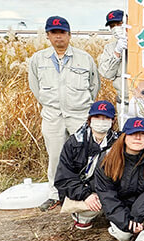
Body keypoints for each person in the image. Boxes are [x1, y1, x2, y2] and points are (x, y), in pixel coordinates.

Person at [28, 16, 99, 211]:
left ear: (69, 34)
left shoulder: (84, 58)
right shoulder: (38, 59)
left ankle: (85, 192)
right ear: (48, 36)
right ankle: (55, 194)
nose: (58, 36)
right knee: (56, 156)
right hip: (52, 116)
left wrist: (80, 106)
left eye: (62, 32)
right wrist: (50, 104)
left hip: (78, 115)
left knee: (84, 155)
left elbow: (94, 86)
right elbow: (35, 87)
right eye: (54, 33)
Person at [93, 117, 144, 241]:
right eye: (133, 134)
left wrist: (137, 216)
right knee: (124, 236)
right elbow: (107, 194)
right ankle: (116, 227)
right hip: (120, 203)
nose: (138, 138)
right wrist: (126, 222)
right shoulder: (107, 159)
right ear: (124, 136)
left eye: (143, 134)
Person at [55, 100, 120, 230]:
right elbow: (63, 179)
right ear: (89, 119)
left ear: (113, 121)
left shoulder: (120, 142)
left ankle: (113, 213)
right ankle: (83, 216)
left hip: (110, 190)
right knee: (90, 207)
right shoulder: (74, 143)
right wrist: (86, 195)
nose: (101, 121)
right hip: (85, 191)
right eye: (97, 117)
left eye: (106, 118)